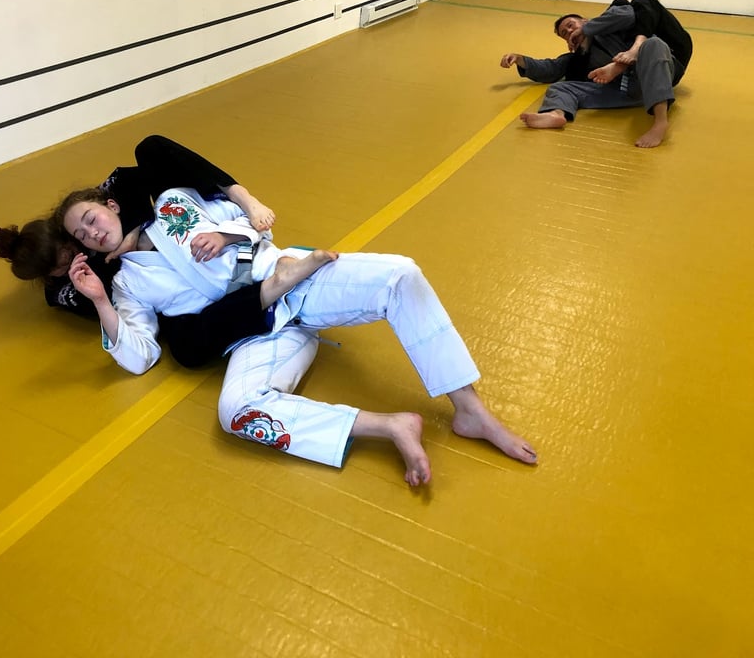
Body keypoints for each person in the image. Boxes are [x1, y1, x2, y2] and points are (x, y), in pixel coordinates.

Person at [59, 184, 539, 489]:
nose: (91, 233)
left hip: (294, 282)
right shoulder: (126, 284)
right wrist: (100, 301)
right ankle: (390, 426)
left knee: (400, 274)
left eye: (91, 219)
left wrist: (227, 236)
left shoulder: (172, 202)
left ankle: (470, 411)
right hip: (255, 336)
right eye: (82, 235)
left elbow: (251, 221)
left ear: (111, 206)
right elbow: (141, 356)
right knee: (236, 412)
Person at [0, 135, 313, 367]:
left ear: (65, 237)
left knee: (150, 148)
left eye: (69, 251)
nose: (70, 262)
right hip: (159, 290)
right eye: (58, 269)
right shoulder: (65, 289)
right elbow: (117, 309)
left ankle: (244, 199)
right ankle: (264, 296)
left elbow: (134, 180)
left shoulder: (89, 219)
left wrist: (137, 226)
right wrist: (99, 294)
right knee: (184, 349)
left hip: (179, 240)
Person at [500, 0, 692, 148]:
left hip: (654, 77)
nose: (570, 32)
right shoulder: (579, 58)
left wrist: (588, 29)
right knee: (560, 87)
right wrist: (520, 60)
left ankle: (660, 122)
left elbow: (628, 14)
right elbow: (551, 68)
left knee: (654, 44)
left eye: (571, 26)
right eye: (565, 34)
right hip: (625, 91)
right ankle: (557, 114)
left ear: (585, 21)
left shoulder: (612, 25)